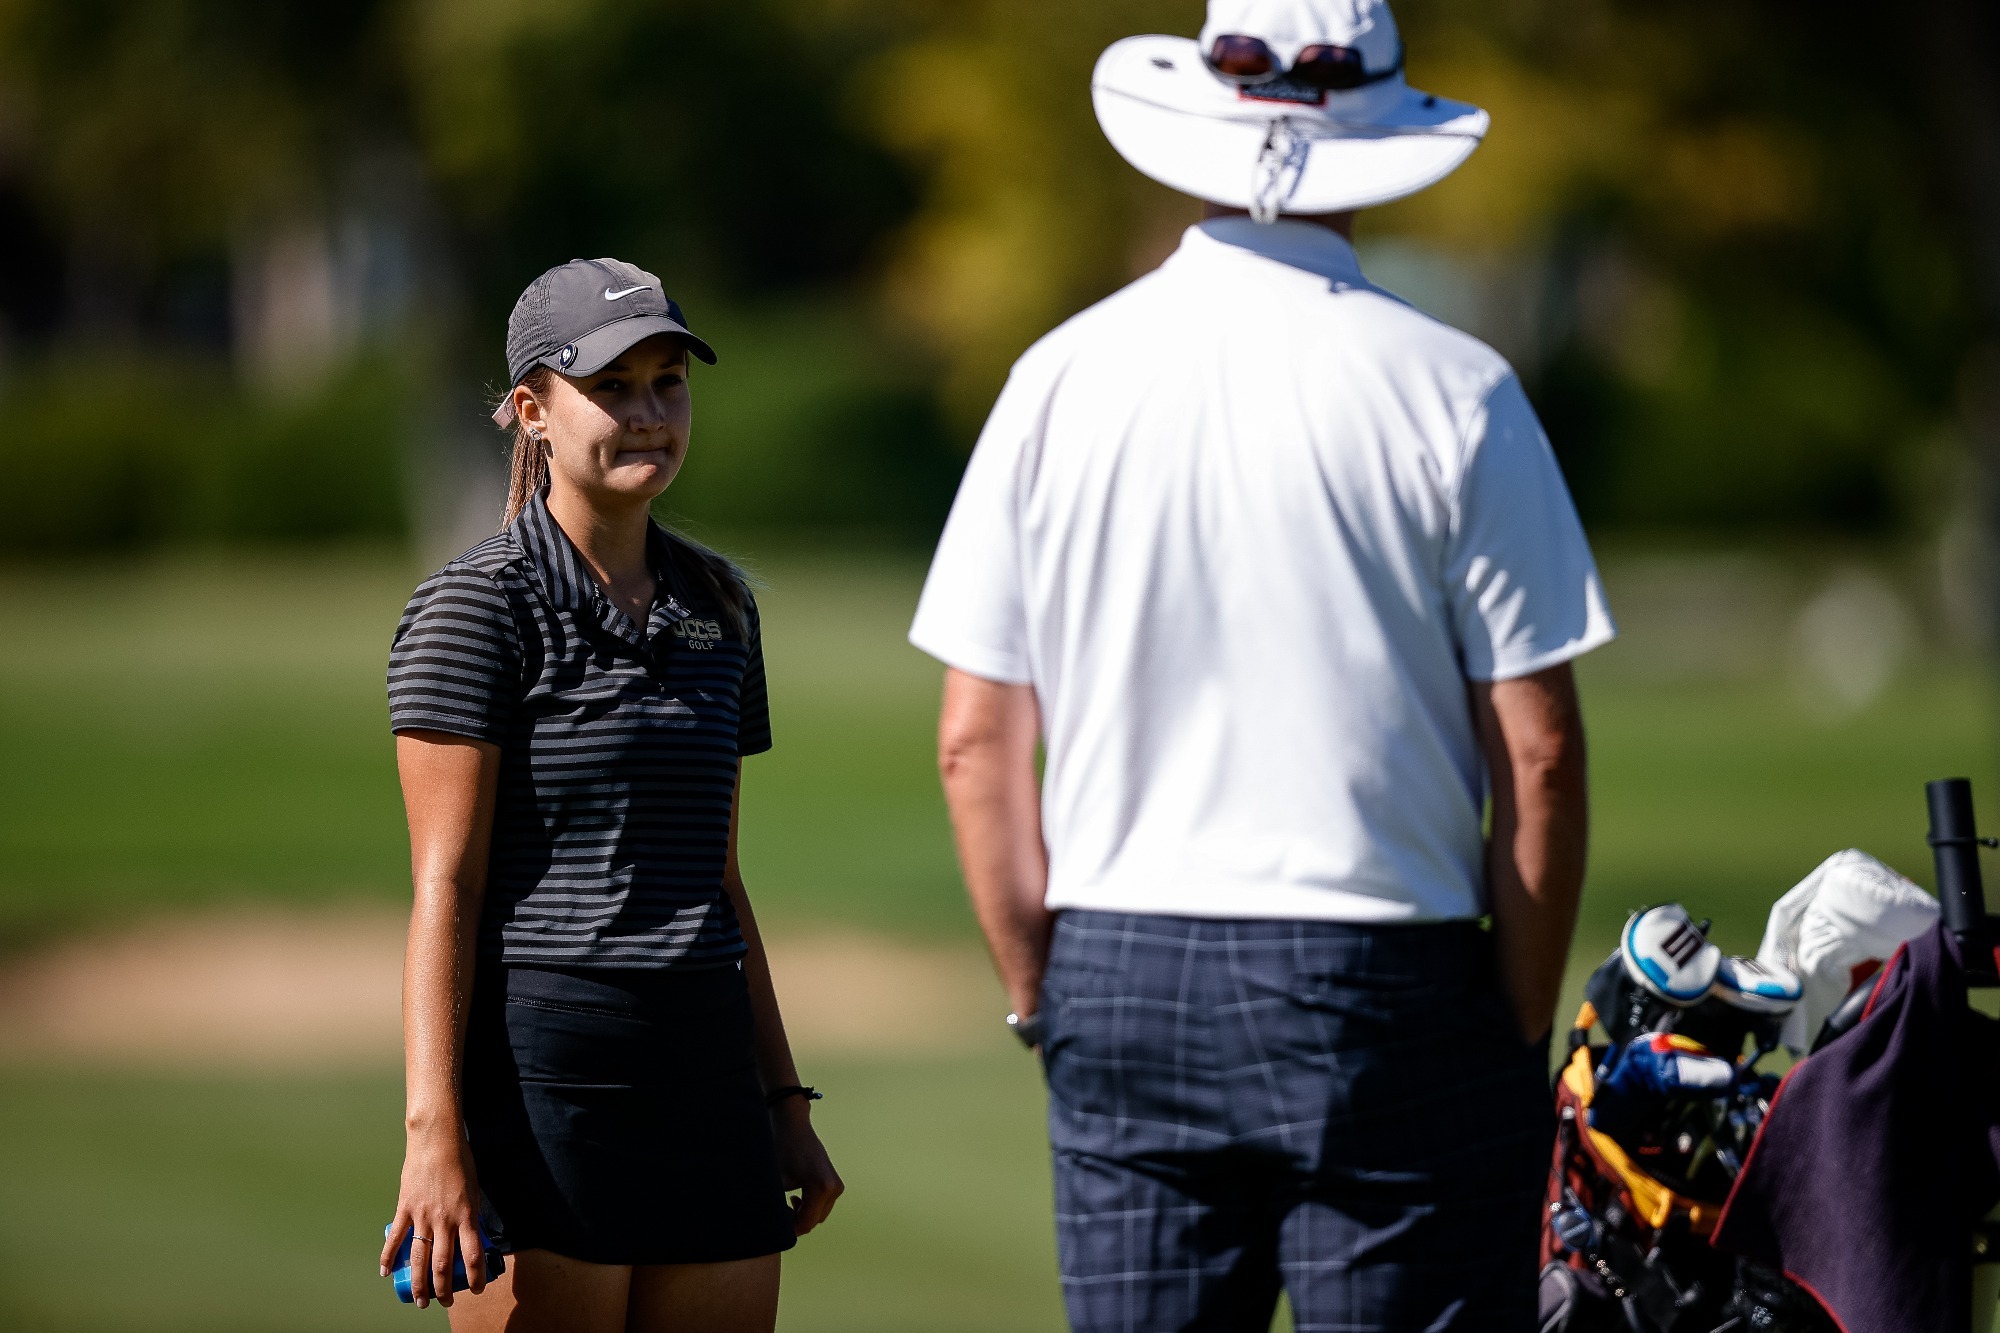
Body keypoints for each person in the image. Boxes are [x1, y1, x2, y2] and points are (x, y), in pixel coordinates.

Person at [909, 1, 1615, 1328]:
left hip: (1121, 964)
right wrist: (1514, 1020)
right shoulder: (1457, 389)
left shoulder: (1057, 377)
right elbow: (1543, 752)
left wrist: (1040, 994)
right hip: (1390, 977)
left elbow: (974, 743)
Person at [381, 257, 841, 1332]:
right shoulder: (472, 610)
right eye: (614, 387)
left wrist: (781, 1103)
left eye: (667, 382)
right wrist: (434, 1134)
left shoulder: (719, 608)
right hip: (547, 1084)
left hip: (708, 1077)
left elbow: (717, 879)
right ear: (532, 412)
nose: (649, 415)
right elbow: (444, 886)